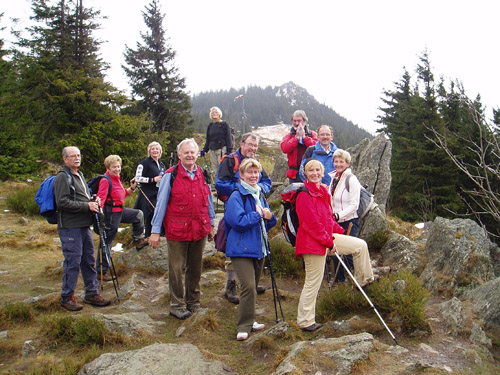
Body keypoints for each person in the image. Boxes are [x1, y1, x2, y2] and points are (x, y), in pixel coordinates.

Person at [295, 160, 375, 331]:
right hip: (311, 243)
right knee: (313, 282)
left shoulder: (323, 191)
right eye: (311, 170)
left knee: (360, 246)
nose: (315, 173)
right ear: (306, 173)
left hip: (326, 237)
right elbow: (311, 224)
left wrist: (338, 231)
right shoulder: (303, 194)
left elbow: (328, 218)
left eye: (318, 170)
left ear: (322, 172)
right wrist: (329, 242)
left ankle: (364, 282)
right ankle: (305, 321)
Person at [149, 138, 215, 320]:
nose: (190, 155)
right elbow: (161, 204)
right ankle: (177, 305)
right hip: (177, 230)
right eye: (186, 152)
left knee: (195, 267)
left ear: (197, 154)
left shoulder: (203, 174)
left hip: (199, 229)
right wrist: (155, 231)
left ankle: (193, 302)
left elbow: (208, 201)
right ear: (179, 155)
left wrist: (210, 224)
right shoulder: (171, 175)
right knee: (176, 269)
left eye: (193, 152)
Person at [215, 133, 272, 304]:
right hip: (235, 209)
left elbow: (267, 182)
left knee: (254, 243)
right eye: (250, 145)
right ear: (241, 144)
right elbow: (219, 184)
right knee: (234, 247)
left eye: (255, 146)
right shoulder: (230, 161)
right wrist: (242, 187)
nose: (253, 149)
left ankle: (250, 285)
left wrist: (257, 186)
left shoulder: (256, 163)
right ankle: (231, 286)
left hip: (255, 210)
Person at [224, 158, 277, 341]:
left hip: (258, 248)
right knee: (248, 286)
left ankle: (251, 320)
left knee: (252, 288)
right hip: (240, 248)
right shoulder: (236, 196)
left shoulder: (259, 194)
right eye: (250, 172)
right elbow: (237, 222)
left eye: (256, 173)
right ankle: (244, 326)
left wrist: (269, 216)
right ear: (242, 175)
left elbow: (269, 219)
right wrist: (259, 214)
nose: (254, 176)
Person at [53, 146, 110, 311]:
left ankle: (92, 293)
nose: (77, 158)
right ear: (65, 159)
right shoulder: (63, 177)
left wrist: (93, 200)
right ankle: (67, 297)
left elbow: (81, 196)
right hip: (70, 226)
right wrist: (87, 206)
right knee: (73, 261)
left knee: (89, 260)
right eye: (72, 156)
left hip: (84, 225)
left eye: (78, 155)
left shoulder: (79, 175)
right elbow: (62, 202)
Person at [96, 155, 147, 281]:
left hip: (120, 210)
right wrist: (100, 215)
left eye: (118, 166)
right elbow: (101, 198)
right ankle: (101, 271)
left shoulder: (116, 178)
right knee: (107, 242)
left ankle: (138, 240)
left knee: (138, 215)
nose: (117, 169)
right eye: (114, 167)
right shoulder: (105, 180)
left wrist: (131, 188)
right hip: (110, 214)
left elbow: (121, 193)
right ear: (108, 168)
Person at [134, 141, 166, 239]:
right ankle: (145, 237)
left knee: (157, 214)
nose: (155, 151)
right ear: (149, 151)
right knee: (148, 215)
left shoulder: (161, 164)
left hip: (157, 193)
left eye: (157, 149)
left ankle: (156, 234)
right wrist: (152, 179)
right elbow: (137, 178)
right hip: (146, 194)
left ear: (160, 151)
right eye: (153, 149)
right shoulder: (144, 163)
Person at [280, 110, 318, 183]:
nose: (296, 123)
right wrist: (296, 138)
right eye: (294, 121)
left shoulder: (312, 134)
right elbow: (284, 148)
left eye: (299, 121)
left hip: (310, 173)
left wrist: (304, 138)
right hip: (294, 174)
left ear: (304, 121)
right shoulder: (289, 136)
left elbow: (317, 148)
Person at [200, 106, 233, 175]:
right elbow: (208, 139)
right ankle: (217, 183)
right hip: (212, 149)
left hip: (221, 149)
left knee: (222, 167)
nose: (214, 114)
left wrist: (229, 149)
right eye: (213, 112)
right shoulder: (210, 126)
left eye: (216, 112)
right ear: (211, 115)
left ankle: (223, 182)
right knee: (214, 168)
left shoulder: (224, 124)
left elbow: (228, 137)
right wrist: (205, 149)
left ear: (219, 114)